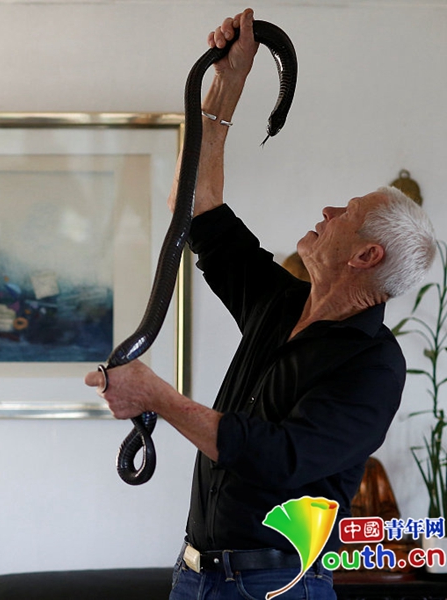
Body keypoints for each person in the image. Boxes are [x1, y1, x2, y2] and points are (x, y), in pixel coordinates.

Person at [84, 8, 437, 600]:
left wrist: (159, 398)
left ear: (366, 256)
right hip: (195, 575)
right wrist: (226, 87)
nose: (328, 212)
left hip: (275, 585)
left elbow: (279, 457)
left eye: (346, 213)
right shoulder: (280, 301)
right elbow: (196, 209)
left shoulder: (374, 365)